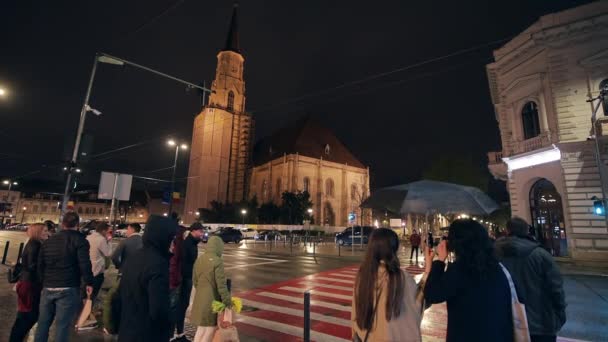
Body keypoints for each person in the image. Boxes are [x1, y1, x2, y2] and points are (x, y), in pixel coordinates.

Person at [424, 219, 513, 342]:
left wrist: (439, 262)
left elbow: (432, 294)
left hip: (466, 335)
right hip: (498, 334)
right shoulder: (497, 266)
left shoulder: (461, 269)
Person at [495, 217, 567, 342]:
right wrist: (559, 315)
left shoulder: (494, 254)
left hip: (507, 322)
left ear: (507, 231)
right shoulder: (540, 254)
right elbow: (556, 289)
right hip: (541, 323)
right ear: (527, 231)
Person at [352, 228, 421, 341]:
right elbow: (418, 303)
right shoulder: (401, 277)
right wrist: (428, 272)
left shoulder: (363, 274)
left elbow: (355, 310)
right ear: (393, 249)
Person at [35, 212, 94, 342]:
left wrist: (43, 282)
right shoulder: (80, 241)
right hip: (68, 286)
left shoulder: (49, 241)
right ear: (77, 225)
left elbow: (40, 264)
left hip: (48, 286)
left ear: (62, 224)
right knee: (62, 326)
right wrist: (89, 282)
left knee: (43, 324)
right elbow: (84, 264)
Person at [118, 215, 177, 342]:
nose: (173, 243)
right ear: (162, 238)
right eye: (171, 239)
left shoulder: (134, 257)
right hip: (147, 333)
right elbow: (158, 309)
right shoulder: (158, 264)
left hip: (127, 329)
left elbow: (120, 294)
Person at [9, 223, 49, 342]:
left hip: (27, 282)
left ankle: (16, 338)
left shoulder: (34, 243)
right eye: (45, 231)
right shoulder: (35, 245)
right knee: (28, 316)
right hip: (30, 284)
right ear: (37, 232)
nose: (47, 233)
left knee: (25, 315)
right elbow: (33, 266)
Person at [190, 236, 232, 342]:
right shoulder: (218, 262)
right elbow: (221, 285)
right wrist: (227, 302)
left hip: (199, 298)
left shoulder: (199, 260)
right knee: (210, 329)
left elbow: (195, 281)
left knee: (201, 328)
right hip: (211, 300)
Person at [171, 223, 205, 341]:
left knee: (182, 305)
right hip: (184, 278)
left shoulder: (191, 243)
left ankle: (178, 333)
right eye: (200, 231)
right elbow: (183, 262)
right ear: (193, 231)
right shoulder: (187, 244)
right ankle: (176, 334)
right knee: (180, 305)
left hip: (187, 277)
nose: (202, 234)